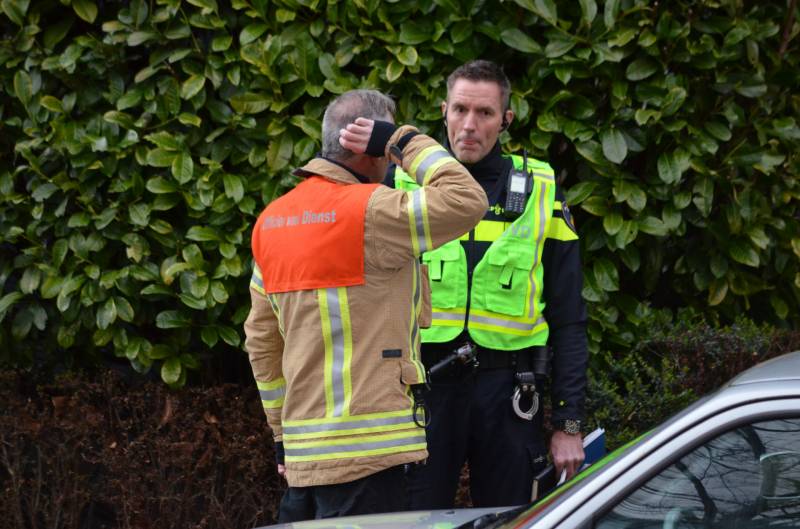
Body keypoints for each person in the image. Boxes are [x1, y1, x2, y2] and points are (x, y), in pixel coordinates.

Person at [244, 89, 487, 522]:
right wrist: (403, 140)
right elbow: (467, 199)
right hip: (371, 460)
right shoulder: (373, 210)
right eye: (385, 146)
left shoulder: (272, 221)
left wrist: (281, 436)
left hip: (304, 460)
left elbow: (261, 345)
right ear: (368, 144)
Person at [388, 60, 588, 509]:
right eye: (460, 110)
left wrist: (569, 423)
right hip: (424, 390)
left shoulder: (540, 188)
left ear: (506, 120)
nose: (469, 125)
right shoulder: (399, 183)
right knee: (415, 517)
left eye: (485, 113)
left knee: (510, 517)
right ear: (444, 111)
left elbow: (569, 318)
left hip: (510, 392)